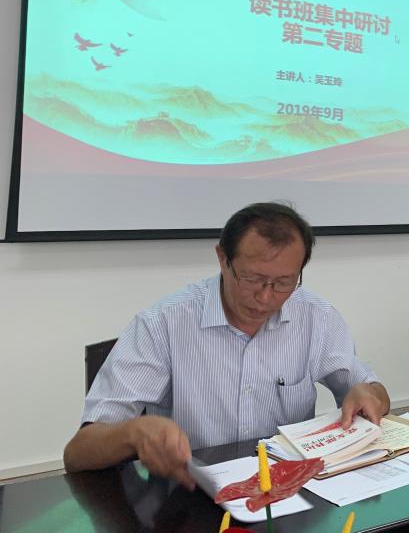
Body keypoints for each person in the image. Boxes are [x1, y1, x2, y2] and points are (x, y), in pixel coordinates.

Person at [63, 202, 390, 486]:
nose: (265, 297)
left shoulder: (317, 317)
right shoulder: (163, 324)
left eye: (283, 282)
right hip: (189, 497)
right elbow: (78, 453)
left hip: (288, 494)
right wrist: (133, 434)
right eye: (252, 279)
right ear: (223, 259)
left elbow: (373, 394)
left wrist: (370, 393)